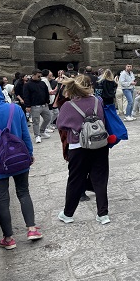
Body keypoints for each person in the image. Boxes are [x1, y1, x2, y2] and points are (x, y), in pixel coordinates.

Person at [0, 78, 42, 249]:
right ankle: (31, 229)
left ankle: (9, 239)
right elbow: (25, 135)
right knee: (23, 191)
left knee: (2, 199)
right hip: (19, 158)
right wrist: (29, 154)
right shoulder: (14, 108)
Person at [56, 75, 111, 225]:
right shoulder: (97, 101)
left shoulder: (68, 105)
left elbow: (60, 124)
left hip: (78, 147)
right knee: (100, 179)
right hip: (99, 144)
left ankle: (68, 214)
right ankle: (103, 214)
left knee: (75, 179)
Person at [23, 69, 52, 143]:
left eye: (40, 76)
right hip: (34, 106)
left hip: (44, 105)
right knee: (36, 121)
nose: (40, 77)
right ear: (34, 75)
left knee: (48, 118)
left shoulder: (42, 83)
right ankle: (37, 135)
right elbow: (26, 96)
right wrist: (28, 106)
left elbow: (46, 92)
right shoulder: (27, 85)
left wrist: (47, 101)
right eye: (38, 76)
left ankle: (42, 131)